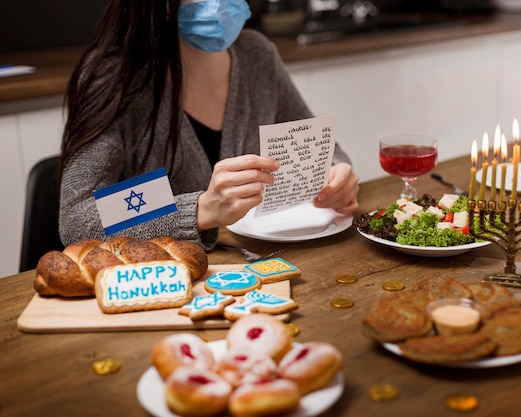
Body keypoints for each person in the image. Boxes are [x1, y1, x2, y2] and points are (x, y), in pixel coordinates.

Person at [59, 0, 359, 251]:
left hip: (260, 268)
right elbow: (78, 219)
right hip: (162, 285)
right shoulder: (115, 79)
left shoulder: (257, 55)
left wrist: (336, 175)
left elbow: (323, 149)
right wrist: (200, 209)